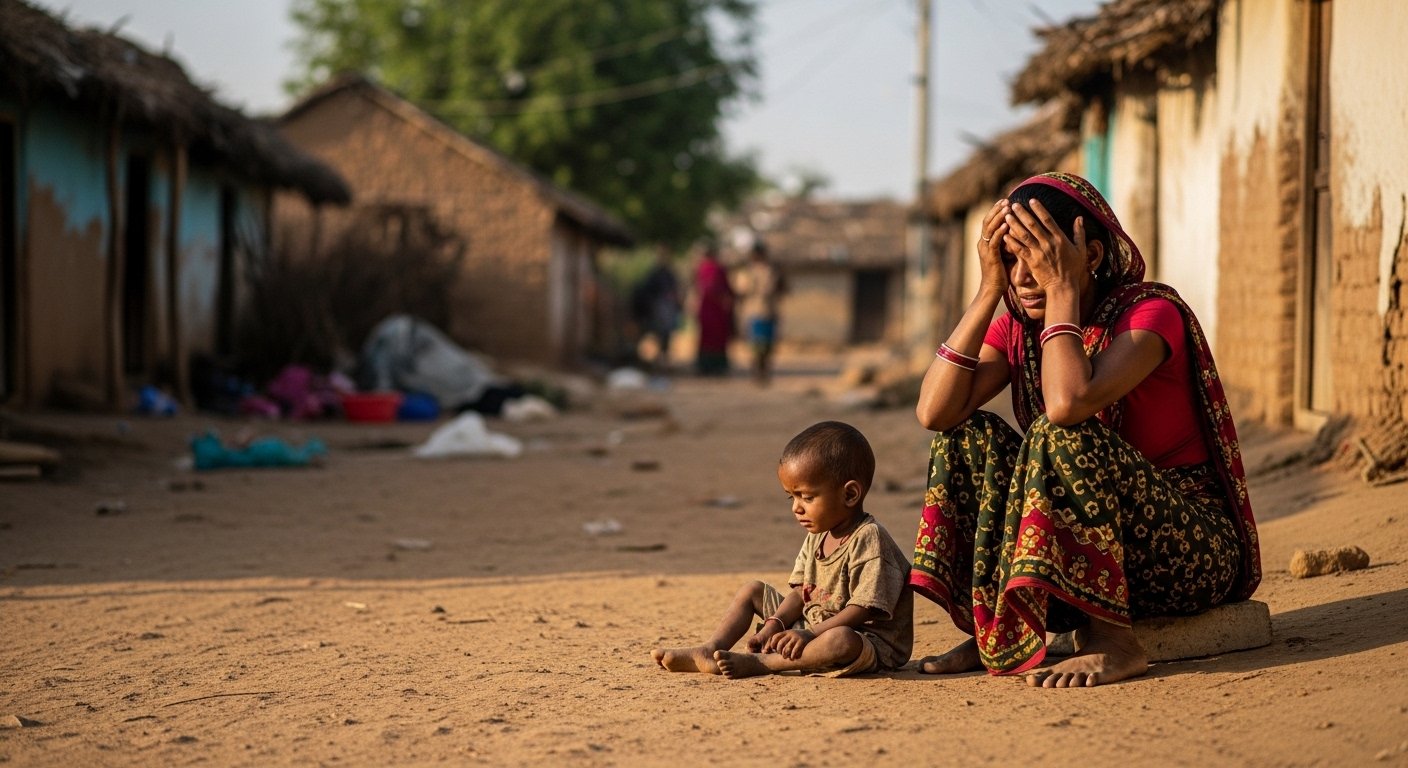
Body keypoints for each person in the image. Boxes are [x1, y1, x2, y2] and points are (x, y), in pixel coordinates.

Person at [908, 171, 1261, 688]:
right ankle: (999, 628)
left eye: (1036, 257)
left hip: (1186, 556)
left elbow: (1069, 403)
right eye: (1010, 260)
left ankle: (1113, 640)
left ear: (1090, 256)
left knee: (1060, 433)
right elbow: (935, 413)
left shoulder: (1151, 315)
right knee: (967, 434)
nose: (1023, 278)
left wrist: (1063, 289)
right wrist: (988, 289)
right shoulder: (1017, 326)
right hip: (1075, 560)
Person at [652, 421, 913, 678]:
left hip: (864, 641)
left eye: (807, 497)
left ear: (850, 495)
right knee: (752, 590)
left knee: (840, 640)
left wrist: (810, 634)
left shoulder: (869, 538)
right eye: (792, 497)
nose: (796, 508)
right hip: (813, 626)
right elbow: (802, 593)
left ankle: (764, 664)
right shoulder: (818, 534)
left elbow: (863, 609)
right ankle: (711, 649)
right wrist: (773, 625)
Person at [735, 240, 786, 385]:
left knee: (767, 346)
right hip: (753, 312)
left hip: (768, 312)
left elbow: (781, 289)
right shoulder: (747, 271)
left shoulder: (773, 270)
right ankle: (757, 372)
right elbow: (741, 290)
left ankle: (764, 372)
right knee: (756, 345)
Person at [631, 246, 683, 373]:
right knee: (657, 335)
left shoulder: (668, 275)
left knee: (665, 336)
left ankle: (662, 359)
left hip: (664, 310)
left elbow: (675, 293)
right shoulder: (654, 275)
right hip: (657, 310)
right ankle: (656, 360)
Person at [692, 243, 734, 376]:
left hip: (713, 310)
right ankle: (711, 366)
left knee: (713, 338)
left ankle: (711, 366)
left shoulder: (705, 269)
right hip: (712, 309)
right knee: (712, 338)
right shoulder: (713, 269)